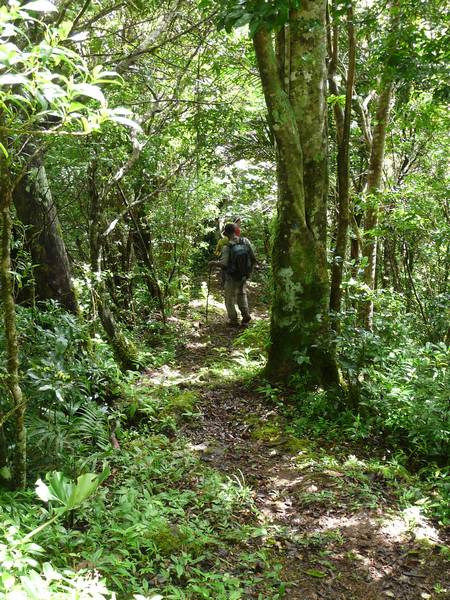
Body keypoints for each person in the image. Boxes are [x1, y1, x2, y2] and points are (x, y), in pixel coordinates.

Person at [209, 222, 256, 326]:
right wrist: (249, 271)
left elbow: (224, 264)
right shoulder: (245, 241)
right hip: (244, 274)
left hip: (232, 276)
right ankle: (245, 315)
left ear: (225, 233)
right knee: (242, 294)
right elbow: (253, 257)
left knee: (229, 298)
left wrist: (213, 263)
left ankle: (233, 320)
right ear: (235, 231)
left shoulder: (227, 247)